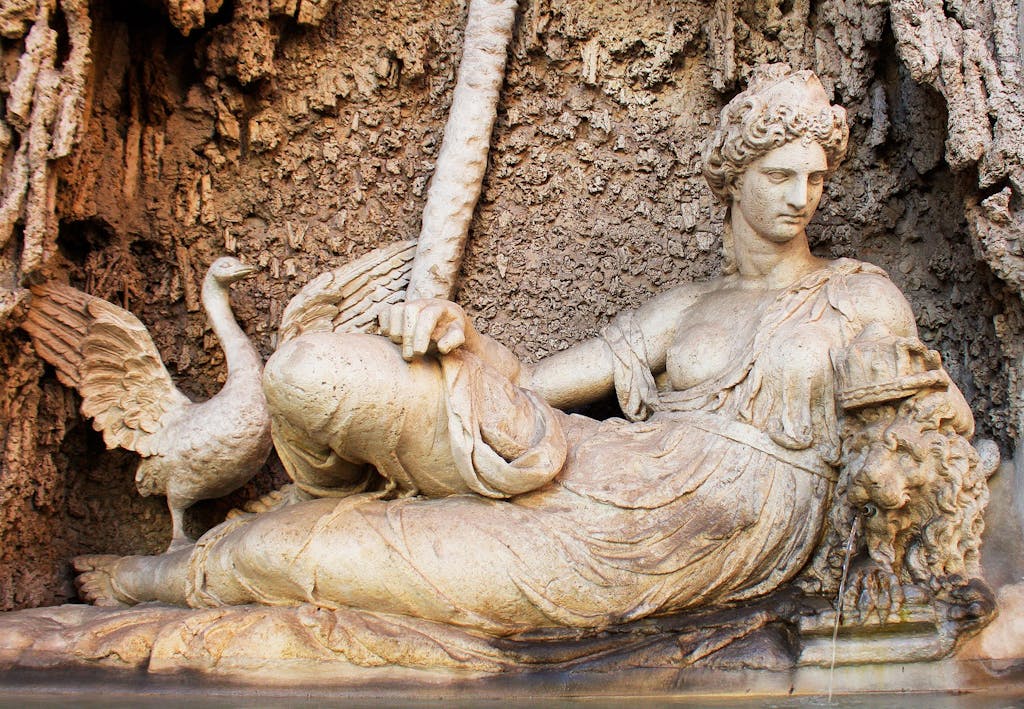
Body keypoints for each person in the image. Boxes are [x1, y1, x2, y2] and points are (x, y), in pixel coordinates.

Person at [73, 66, 975, 635]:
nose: (801, 197)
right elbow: (535, 386)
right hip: (597, 465)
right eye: (779, 175)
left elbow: (924, 434)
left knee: (334, 555)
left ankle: (164, 576)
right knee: (309, 371)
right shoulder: (685, 307)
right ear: (732, 179)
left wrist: (892, 552)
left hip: (684, 537)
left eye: (816, 177)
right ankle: (292, 501)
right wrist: (461, 336)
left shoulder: (858, 295)